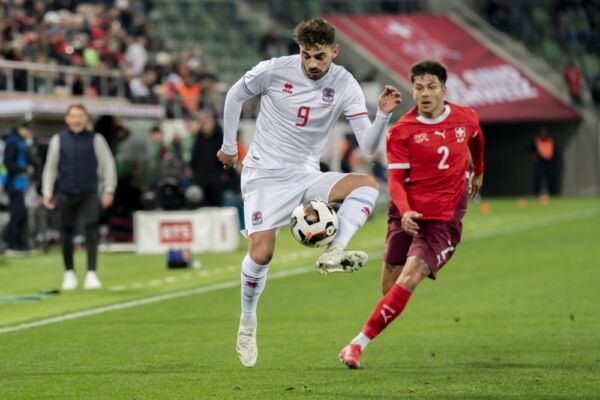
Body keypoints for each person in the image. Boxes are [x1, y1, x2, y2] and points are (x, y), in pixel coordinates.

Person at [217, 18, 402, 368]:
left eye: (320, 56)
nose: (312, 63)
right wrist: (229, 147)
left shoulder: (345, 83)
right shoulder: (274, 70)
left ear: (335, 51)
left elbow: (368, 145)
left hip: (305, 174)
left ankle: (335, 250)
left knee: (367, 185)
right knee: (262, 254)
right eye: (306, 55)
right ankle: (248, 320)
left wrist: (382, 115)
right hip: (264, 174)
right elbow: (234, 95)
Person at [338, 60, 485, 369]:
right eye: (419, 88)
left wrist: (479, 170)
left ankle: (356, 345)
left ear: (444, 90)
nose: (425, 93)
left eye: (431, 87)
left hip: (441, 222)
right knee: (389, 289)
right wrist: (405, 213)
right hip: (405, 214)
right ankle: (370, 329)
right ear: (413, 91)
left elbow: (476, 138)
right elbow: (395, 181)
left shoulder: (465, 117)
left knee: (412, 275)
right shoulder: (402, 131)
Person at [42, 103, 117, 290]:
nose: (76, 120)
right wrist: (47, 191)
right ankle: (69, 273)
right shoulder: (58, 140)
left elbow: (108, 165)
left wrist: (108, 190)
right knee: (66, 232)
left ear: (86, 118)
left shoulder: (96, 139)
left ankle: (91, 273)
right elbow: (50, 168)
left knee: (91, 230)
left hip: (89, 191)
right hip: (66, 192)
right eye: (73, 116)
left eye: (80, 116)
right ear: (67, 119)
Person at [2, 122, 33, 254]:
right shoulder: (13, 142)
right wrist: (24, 169)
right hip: (13, 184)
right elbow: (8, 163)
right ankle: (11, 244)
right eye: (27, 130)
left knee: (22, 214)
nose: (29, 133)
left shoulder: (19, 142)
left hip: (19, 184)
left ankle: (18, 244)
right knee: (17, 214)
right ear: (21, 129)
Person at [533, 127, 556, 200]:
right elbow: (531, 149)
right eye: (542, 133)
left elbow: (554, 150)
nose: (543, 134)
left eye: (545, 132)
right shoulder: (537, 140)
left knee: (550, 179)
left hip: (549, 162)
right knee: (538, 179)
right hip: (541, 162)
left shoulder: (550, 140)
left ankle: (553, 195)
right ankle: (535, 194)